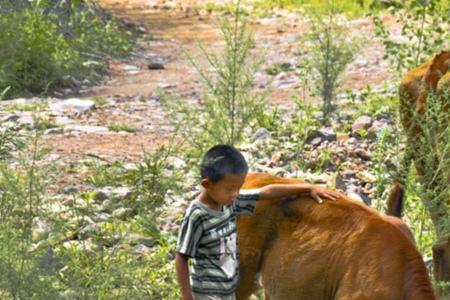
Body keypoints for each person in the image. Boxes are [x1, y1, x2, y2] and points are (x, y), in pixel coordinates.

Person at [175, 144, 339, 300]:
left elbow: (266, 192)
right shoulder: (197, 215)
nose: (236, 193)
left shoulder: (231, 203)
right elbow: (182, 256)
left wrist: (307, 188)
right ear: (207, 184)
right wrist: (187, 296)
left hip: (228, 289)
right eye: (230, 188)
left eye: (239, 187)